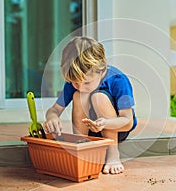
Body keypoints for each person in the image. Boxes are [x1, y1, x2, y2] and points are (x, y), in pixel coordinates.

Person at [43, 36, 137, 175]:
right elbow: (54, 110)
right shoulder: (76, 80)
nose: (80, 87)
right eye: (75, 83)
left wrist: (106, 123)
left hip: (116, 129)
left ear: (101, 70)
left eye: (86, 83)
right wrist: (52, 118)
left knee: (98, 97)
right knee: (78, 96)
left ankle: (112, 153)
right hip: (90, 129)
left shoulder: (118, 80)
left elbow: (127, 122)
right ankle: (81, 147)